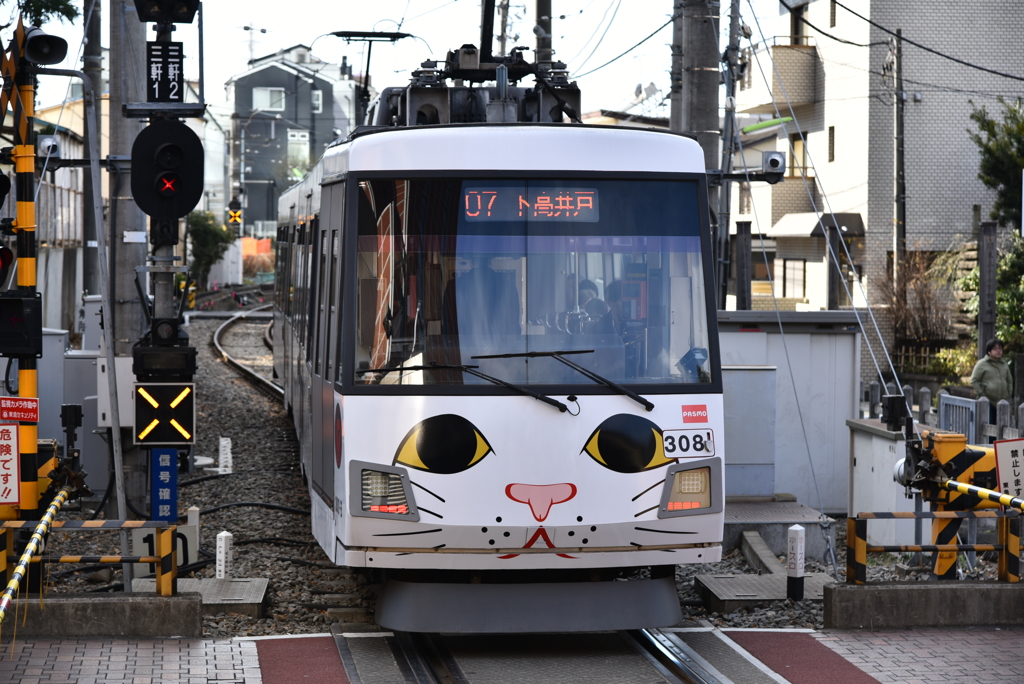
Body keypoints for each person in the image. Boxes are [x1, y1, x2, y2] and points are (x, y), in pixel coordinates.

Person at [971, 339, 1013, 419]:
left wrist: (1009, 395)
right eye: (995, 349)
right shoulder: (982, 364)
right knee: (988, 426)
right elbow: (974, 380)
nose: (998, 351)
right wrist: (982, 395)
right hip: (988, 402)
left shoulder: (1004, 364)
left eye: (1000, 349)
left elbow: (1009, 381)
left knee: (1003, 426)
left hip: (1003, 401)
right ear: (989, 352)